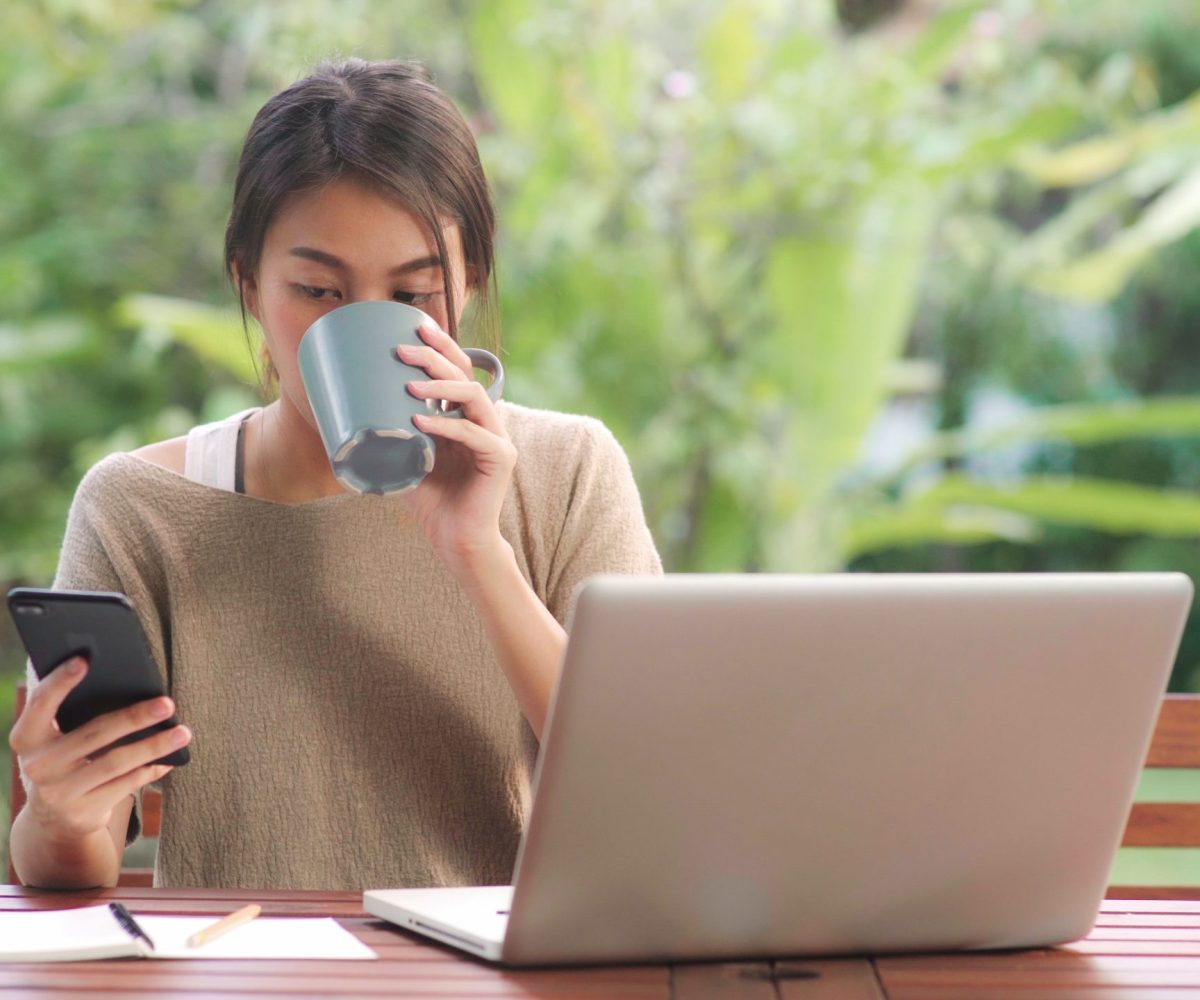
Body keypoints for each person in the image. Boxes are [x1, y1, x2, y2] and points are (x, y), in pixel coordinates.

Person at [9, 58, 661, 891]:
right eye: (318, 289)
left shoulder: (569, 473)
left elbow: (642, 788)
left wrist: (478, 551)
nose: (362, 329)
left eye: (416, 293)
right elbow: (69, 860)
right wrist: (59, 816)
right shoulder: (143, 509)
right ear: (249, 286)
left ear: (470, 284)